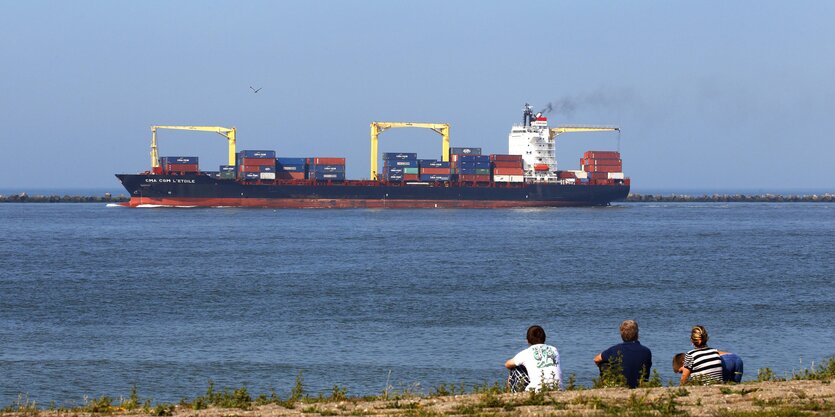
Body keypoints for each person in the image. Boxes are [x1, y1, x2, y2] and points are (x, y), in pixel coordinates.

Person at [593, 320, 652, 388]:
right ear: (637, 334)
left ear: (621, 334)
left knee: (603, 363)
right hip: (639, 383)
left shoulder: (614, 349)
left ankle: (609, 384)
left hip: (619, 384)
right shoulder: (647, 351)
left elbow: (596, 359)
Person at [505, 325, 563, 391]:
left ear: (527, 341)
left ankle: (509, 394)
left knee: (514, 368)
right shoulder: (554, 350)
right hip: (558, 389)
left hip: (536, 391)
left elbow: (507, 364)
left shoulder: (526, 353)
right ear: (545, 338)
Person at [673, 350, 744, 383]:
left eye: (681, 371)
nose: (682, 373)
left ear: (683, 362)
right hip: (736, 358)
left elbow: (683, 380)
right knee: (734, 385)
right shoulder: (700, 355)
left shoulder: (691, 361)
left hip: (726, 362)